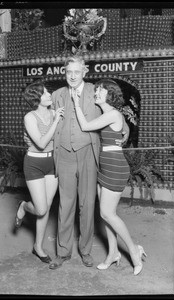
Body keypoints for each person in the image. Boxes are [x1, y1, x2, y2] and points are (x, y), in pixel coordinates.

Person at [49, 56, 129, 270]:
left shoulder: (97, 91)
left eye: (77, 72)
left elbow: (115, 114)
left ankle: (85, 251)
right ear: (64, 73)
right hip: (64, 155)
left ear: (84, 72)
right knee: (65, 205)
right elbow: (48, 122)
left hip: (88, 155)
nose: (73, 76)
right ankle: (63, 252)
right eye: (69, 72)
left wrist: (124, 133)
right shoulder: (57, 95)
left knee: (87, 204)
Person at [72, 78, 147, 275]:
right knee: (105, 216)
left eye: (101, 90)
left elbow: (86, 126)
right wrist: (126, 129)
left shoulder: (113, 113)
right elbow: (123, 129)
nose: (96, 92)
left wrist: (75, 102)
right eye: (95, 89)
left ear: (110, 94)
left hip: (115, 168)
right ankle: (113, 253)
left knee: (107, 213)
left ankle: (133, 250)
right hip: (104, 167)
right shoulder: (109, 114)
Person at [14, 81, 64, 263]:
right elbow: (41, 143)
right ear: (36, 99)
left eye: (48, 91)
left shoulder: (53, 112)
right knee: (40, 208)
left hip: (52, 162)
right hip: (34, 163)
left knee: (46, 208)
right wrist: (56, 121)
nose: (49, 94)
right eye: (44, 93)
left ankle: (38, 247)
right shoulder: (30, 117)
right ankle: (23, 206)